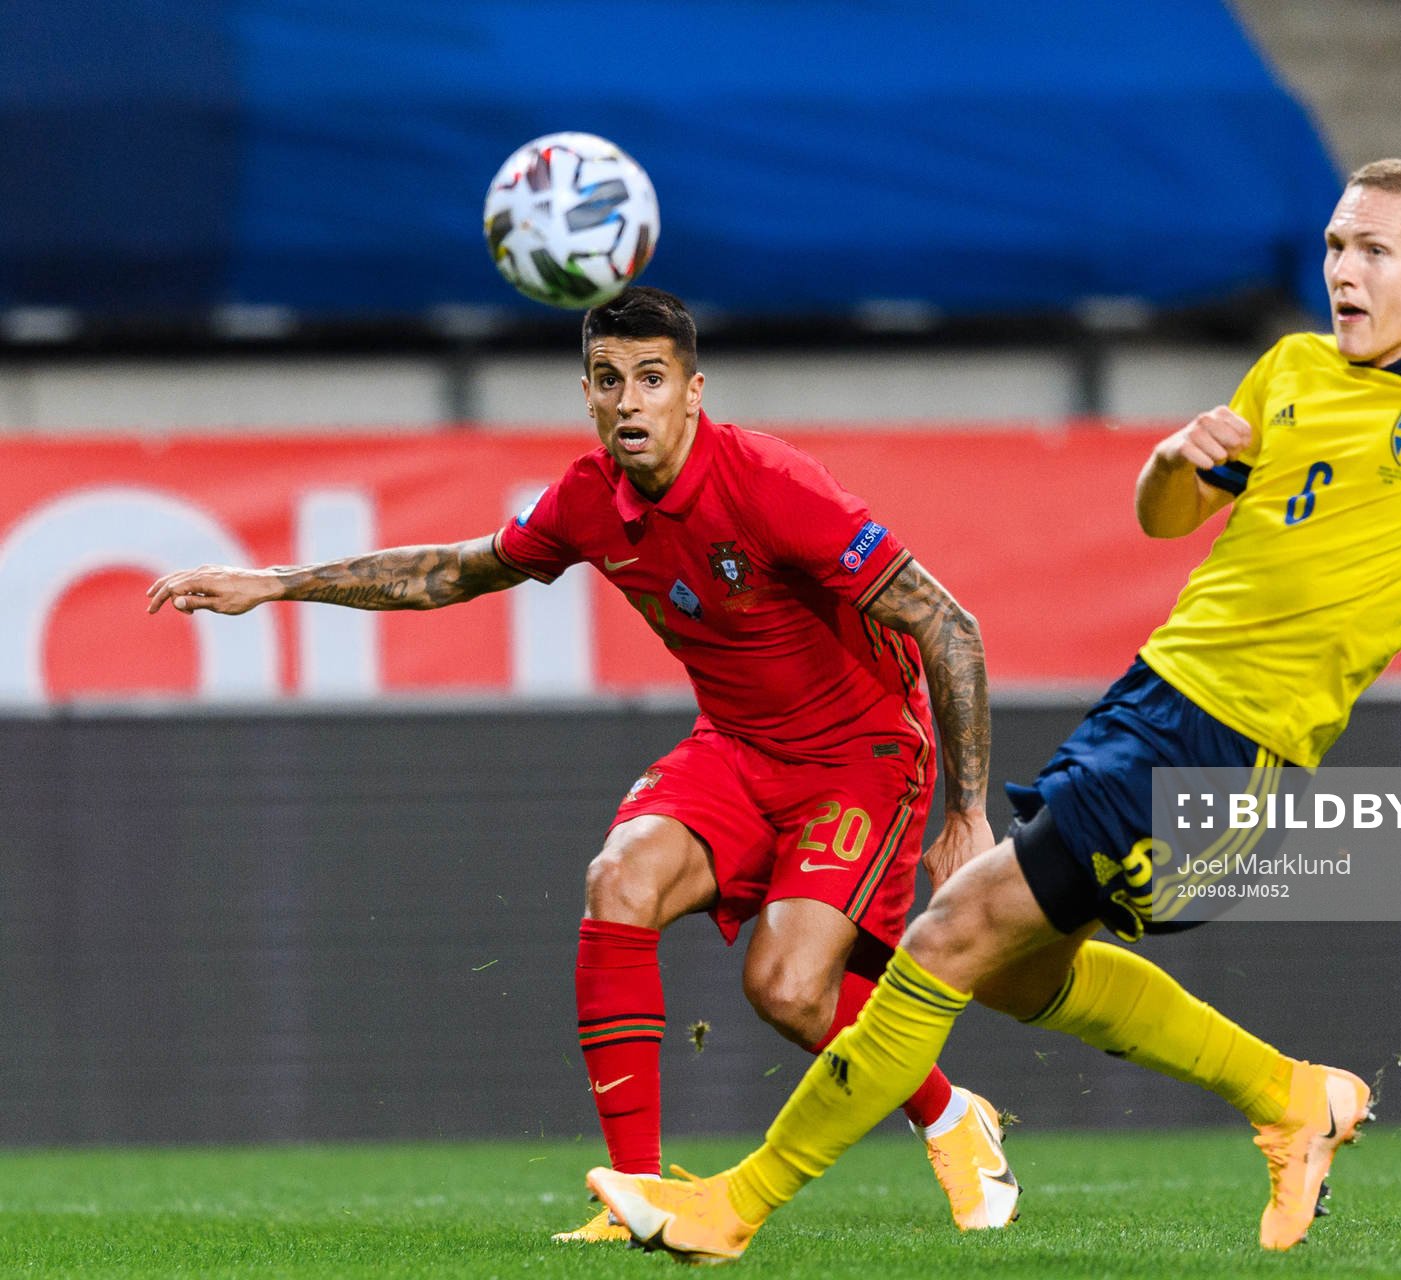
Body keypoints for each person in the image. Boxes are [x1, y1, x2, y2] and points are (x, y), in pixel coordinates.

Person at [584, 159, 1401, 1263]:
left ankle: (736, 1206)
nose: (1345, 269)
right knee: (1025, 970)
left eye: (1376, 249)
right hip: (1148, 699)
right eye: (1334, 244)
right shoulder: (1290, 371)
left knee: (949, 935)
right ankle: (1292, 1096)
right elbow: (1164, 519)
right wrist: (1177, 457)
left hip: (1230, 743)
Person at [144, 287, 1018, 1243]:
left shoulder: (771, 483)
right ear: (588, 395)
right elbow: (455, 572)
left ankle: (949, 1115)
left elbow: (949, 624)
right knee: (619, 877)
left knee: (788, 989)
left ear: (693, 392)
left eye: (651, 379)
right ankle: (631, 1197)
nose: (629, 401)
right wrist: (275, 583)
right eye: (609, 380)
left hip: (858, 754)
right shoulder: (587, 499)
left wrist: (967, 812)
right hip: (735, 744)